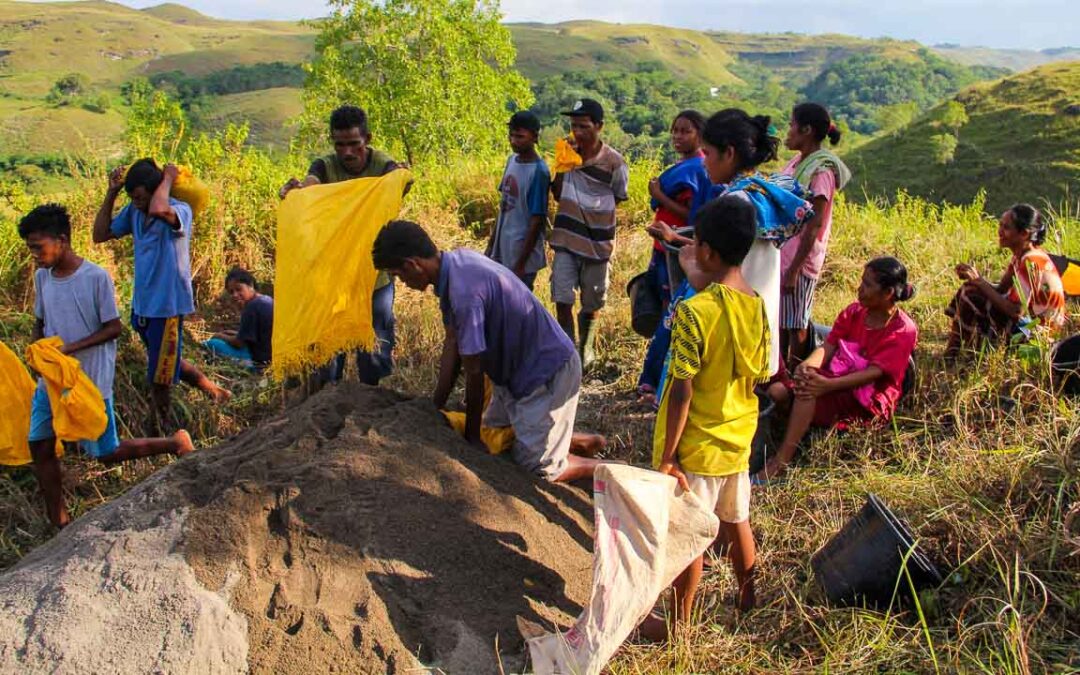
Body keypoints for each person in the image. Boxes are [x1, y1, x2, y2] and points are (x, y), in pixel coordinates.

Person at [372, 220, 605, 482]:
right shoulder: (456, 264)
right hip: (513, 374)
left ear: (412, 264)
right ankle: (576, 441)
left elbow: (473, 371)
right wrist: (434, 406)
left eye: (399, 276)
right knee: (497, 434)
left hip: (546, 373)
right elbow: (453, 343)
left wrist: (471, 439)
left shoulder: (464, 294)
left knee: (539, 469)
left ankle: (601, 467)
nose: (402, 283)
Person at [642, 194, 770, 640]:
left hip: (696, 445)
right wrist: (683, 246)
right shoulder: (756, 305)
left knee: (691, 538)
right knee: (737, 521)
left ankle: (678, 627)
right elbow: (761, 373)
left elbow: (681, 390)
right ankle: (749, 597)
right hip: (737, 437)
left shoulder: (696, 313)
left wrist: (668, 456)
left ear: (711, 252)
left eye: (697, 245)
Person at [20, 204, 195, 529]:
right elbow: (40, 321)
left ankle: (173, 443)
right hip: (53, 380)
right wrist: (36, 351)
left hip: (89, 381)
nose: (34, 255)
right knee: (40, 445)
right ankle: (58, 521)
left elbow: (113, 328)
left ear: (61, 240)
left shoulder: (95, 278)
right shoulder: (43, 277)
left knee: (104, 452)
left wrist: (70, 348)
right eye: (30, 248)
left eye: (37, 247)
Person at [93, 158, 229, 434]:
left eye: (140, 196)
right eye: (133, 198)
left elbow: (157, 208)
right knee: (166, 360)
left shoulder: (180, 211)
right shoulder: (135, 211)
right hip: (143, 306)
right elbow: (100, 234)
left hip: (167, 307)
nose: (137, 203)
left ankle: (162, 428)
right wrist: (112, 193)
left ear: (156, 189)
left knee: (159, 376)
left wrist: (167, 178)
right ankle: (214, 390)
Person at [279, 104, 410, 385]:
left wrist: (401, 178)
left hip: (373, 279)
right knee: (327, 361)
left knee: (373, 359)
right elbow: (311, 186)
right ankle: (326, 415)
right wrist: (296, 195)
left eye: (354, 144)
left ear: (368, 139)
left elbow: (399, 182)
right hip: (332, 281)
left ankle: (370, 418)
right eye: (340, 145)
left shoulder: (383, 166)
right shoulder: (324, 166)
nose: (347, 152)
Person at [758, 257, 918, 482]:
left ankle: (781, 460)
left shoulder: (903, 330)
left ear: (888, 293)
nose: (860, 289)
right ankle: (795, 433)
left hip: (865, 397)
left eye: (867, 285)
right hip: (835, 381)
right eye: (861, 282)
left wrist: (827, 385)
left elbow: (873, 374)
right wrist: (807, 366)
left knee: (808, 391)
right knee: (778, 392)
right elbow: (829, 346)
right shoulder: (855, 311)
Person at [698, 109, 815, 378]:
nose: (703, 163)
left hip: (732, 323)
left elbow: (716, 267)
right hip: (759, 321)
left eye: (707, 153)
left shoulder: (734, 203)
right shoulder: (762, 193)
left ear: (728, 153)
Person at [549, 98, 630, 370]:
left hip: (597, 243)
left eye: (584, 126)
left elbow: (618, 196)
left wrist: (592, 212)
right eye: (574, 126)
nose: (578, 132)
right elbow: (558, 194)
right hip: (565, 238)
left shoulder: (614, 162)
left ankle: (586, 346)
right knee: (561, 296)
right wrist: (562, 166)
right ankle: (567, 350)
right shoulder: (566, 154)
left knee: (592, 300)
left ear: (599, 126)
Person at [637, 110, 711, 403]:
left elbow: (693, 216)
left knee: (672, 314)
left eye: (686, 131)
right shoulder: (685, 166)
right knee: (661, 309)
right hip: (662, 248)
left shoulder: (700, 170)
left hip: (680, 251)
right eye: (675, 131)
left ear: (701, 136)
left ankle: (659, 382)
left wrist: (659, 194)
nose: (678, 137)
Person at [779, 103, 851, 365]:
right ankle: (782, 377)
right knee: (782, 320)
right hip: (785, 252)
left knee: (796, 321)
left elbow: (815, 224)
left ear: (806, 130)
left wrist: (795, 268)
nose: (788, 131)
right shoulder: (798, 162)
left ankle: (796, 378)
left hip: (799, 258)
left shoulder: (820, 171)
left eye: (791, 125)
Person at [945, 204, 1066, 358]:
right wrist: (975, 279)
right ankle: (957, 349)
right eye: (1000, 225)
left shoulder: (1031, 261)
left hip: (1039, 334)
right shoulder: (1020, 256)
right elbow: (1001, 289)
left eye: (1006, 228)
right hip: (1029, 323)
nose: (1000, 231)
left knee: (971, 294)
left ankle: (955, 353)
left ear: (1024, 234)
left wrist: (979, 282)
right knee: (970, 288)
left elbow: (1016, 311)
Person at [486, 110, 551, 291]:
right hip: (504, 245)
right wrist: (492, 245)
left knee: (518, 301)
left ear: (534, 138)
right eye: (511, 136)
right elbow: (504, 205)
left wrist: (521, 263)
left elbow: (537, 220)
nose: (514, 141)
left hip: (521, 251)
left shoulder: (539, 172)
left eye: (520, 137)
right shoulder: (512, 161)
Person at [203, 267, 274, 372]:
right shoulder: (267, 300)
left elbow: (239, 343)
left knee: (211, 343)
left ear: (250, 285)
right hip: (271, 357)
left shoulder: (251, 307)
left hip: (258, 364)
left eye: (239, 289)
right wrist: (233, 333)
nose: (235, 295)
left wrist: (220, 336)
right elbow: (255, 335)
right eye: (231, 292)